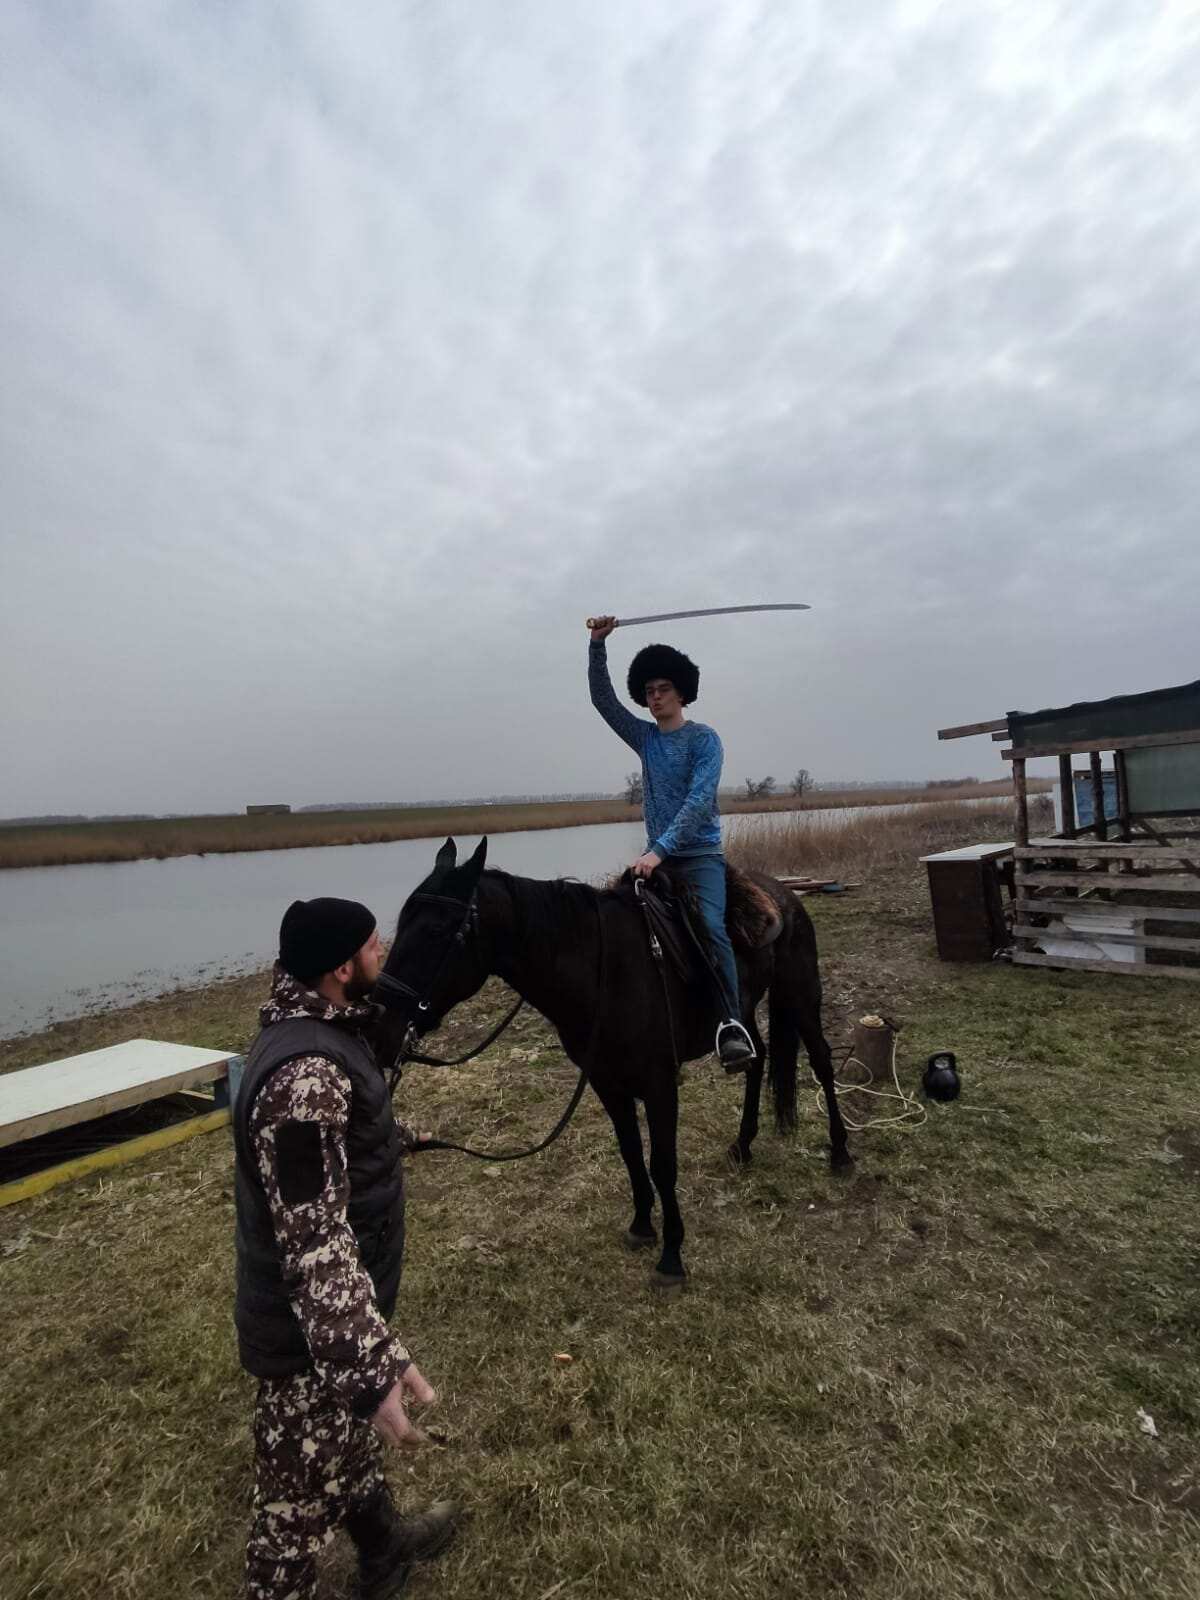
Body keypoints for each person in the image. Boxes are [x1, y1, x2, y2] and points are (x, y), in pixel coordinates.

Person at [233, 895, 458, 1600]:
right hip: (310, 1338)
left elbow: (331, 1148)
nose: (382, 952)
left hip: (333, 1323)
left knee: (346, 1438)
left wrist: (389, 1141)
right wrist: (368, 1362)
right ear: (340, 968)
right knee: (290, 1515)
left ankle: (385, 1548)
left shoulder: (319, 1026)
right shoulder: (304, 1078)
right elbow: (314, 1241)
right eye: (372, 946)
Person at [587, 616, 756, 1071]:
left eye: (663, 688)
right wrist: (597, 646)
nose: (654, 696)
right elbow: (603, 701)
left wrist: (658, 852)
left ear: (681, 691)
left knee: (713, 930)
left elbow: (700, 802)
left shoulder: (704, 739)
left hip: (697, 857)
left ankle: (731, 1025)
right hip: (656, 859)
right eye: (648, 691)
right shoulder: (644, 739)